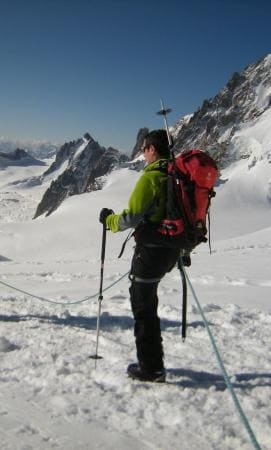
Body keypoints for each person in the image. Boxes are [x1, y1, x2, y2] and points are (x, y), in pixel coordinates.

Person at [99, 129, 181, 383]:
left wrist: (108, 220)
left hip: (151, 252)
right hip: (171, 250)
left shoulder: (152, 177)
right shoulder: (177, 175)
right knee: (148, 303)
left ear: (153, 150)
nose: (142, 152)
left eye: (144, 148)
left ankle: (151, 368)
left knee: (143, 307)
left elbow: (131, 218)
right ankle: (152, 363)